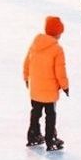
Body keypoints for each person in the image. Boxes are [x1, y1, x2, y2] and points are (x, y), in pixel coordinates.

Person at [22, 16, 68, 151]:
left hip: (35, 88)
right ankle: (50, 139)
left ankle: (33, 135)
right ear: (57, 33)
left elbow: (27, 62)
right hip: (49, 90)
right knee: (50, 114)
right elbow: (60, 70)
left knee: (35, 112)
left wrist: (26, 77)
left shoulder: (35, 44)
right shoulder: (57, 49)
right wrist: (65, 86)